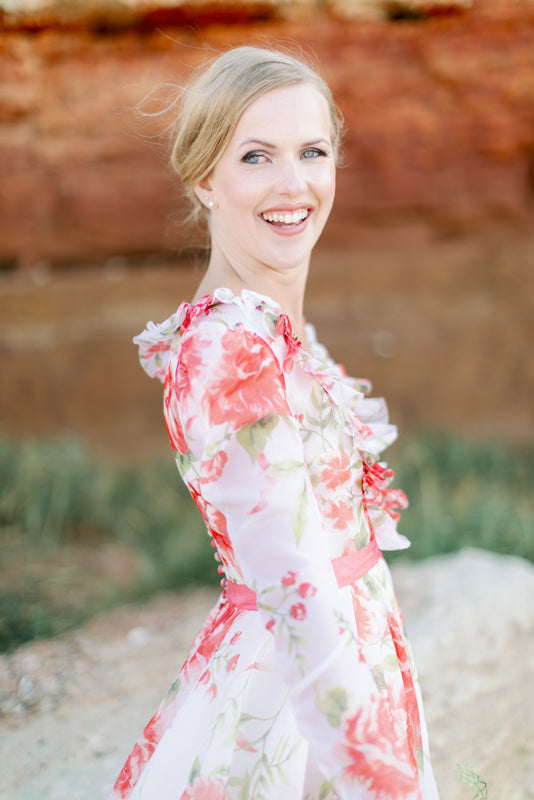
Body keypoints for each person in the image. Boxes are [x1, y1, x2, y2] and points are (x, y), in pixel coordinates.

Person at [110, 45, 439, 800]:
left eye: (312, 152)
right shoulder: (227, 352)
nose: (294, 185)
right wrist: (376, 777)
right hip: (295, 709)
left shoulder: (271, 333)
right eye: (256, 157)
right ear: (205, 179)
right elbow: (295, 592)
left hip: (346, 672)